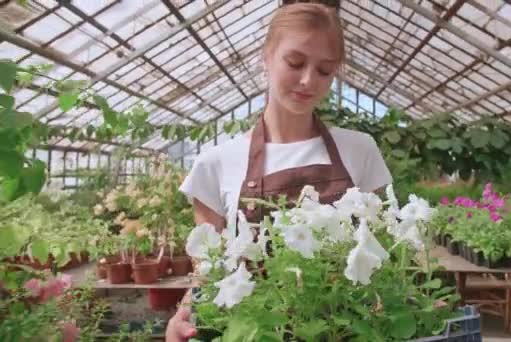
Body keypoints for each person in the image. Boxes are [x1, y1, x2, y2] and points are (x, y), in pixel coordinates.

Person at [165, 3, 393, 341]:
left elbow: (378, 249)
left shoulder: (360, 150)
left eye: (325, 71)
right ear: (267, 55)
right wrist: (183, 316)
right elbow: (208, 268)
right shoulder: (216, 163)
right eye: (295, 63)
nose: (307, 81)